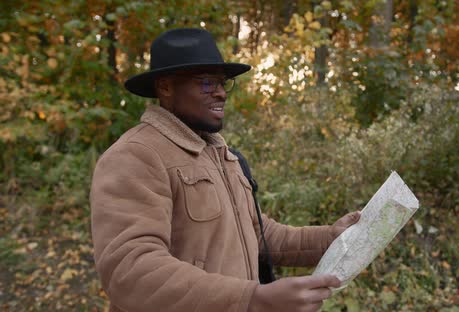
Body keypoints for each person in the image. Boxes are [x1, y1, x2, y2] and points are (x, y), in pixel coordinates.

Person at [90, 28, 360, 312]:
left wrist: (331, 238)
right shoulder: (135, 155)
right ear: (165, 87)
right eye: (206, 83)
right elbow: (131, 272)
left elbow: (258, 233)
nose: (220, 93)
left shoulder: (221, 154)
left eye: (222, 83)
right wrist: (252, 299)